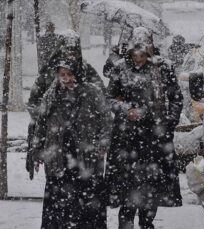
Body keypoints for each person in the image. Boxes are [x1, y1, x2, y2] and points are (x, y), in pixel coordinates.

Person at [106, 27, 183, 229]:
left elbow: (176, 98)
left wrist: (168, 124)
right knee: (127, 187)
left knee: (152, 188)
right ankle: (126, 223)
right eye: (135, 55)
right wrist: (125, 109)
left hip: (155, 138)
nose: (138, 59)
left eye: (142, 55)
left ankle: (147, 223)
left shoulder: (163, 67)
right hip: (126, 138)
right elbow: (109, 98)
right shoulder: (120, 68)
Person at [30, 57, 112, 229]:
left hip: (85, 155)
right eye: (62, 75)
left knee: (86, 200)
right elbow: (41, 124)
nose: (66, 79)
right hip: (58, 155)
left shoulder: (92, 92)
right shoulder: (51, 94)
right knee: (59, 203)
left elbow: (105, 119)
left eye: (70, 74)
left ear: (78, 74)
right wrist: (37, 150)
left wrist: (103, 143)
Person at [26, 33, 107, 179]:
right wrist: (49, 118)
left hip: (83, 139)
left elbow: (102, 101)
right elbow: (34, 103)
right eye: (67, 51)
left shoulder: (86, 70)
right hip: (57, 138)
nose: (71, 55)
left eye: (74, 51)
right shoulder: (48, 72)